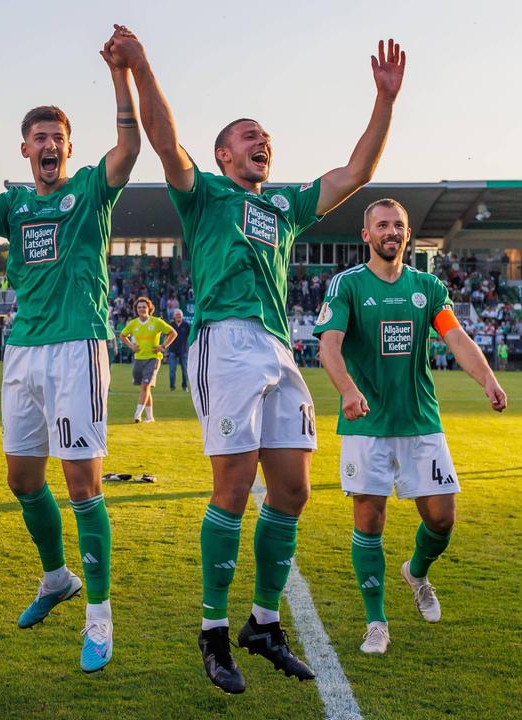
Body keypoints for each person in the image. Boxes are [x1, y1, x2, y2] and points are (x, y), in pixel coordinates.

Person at [116, 27, 406, 691]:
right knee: (231, 487)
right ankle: (213, 631)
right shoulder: (205, 195)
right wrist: (141, 66)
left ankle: (263, 623)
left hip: (279, 345)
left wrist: (384, 102)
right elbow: (165, 142)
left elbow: (355, 173)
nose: (261, 141)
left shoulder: (283, 203)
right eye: (248, 135)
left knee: (294, 490)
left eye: (265, 136)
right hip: (227, 339)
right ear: (223, 154)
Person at [0, 27, 139, 672]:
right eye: (39, 138)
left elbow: (129, 147)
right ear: (25, 149)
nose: (49, 146)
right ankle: (56, 578)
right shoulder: (15, 203)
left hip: (78, 346)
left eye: (58, 138)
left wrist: (120, 75)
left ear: (68, 147)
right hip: (22, 350)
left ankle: (100, 618)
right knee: (22, 478)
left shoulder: (89, 193)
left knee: (81, 482)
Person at [315, 199, 507, 655]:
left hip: (421, 421)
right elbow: (330, 346)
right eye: (382, 225)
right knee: (369, 520)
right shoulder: (347, 285)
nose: (391, 232)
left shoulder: (427, 286)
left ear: (407, 233)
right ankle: (376, 621)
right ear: (367, 235)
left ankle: (416, 573)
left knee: (442, 518)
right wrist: (346, 391)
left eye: (398, 225)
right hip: (367, 425)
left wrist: (488, 378)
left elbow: (456, 337)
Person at [118, 297, 176, 423]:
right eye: (139, 307)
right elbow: (122, 335)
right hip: (139, 359)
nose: (142, 309)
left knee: (145, 385)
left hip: (153, 358)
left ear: (149, 308)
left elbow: (173, 333)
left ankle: (137, 415)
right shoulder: (133, 323)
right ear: (136, 310)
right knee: (145, 388)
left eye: (144, 307)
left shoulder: (156, 322)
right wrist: (131, 346)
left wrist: (163, 346)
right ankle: (150, 417)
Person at [166, 308, 190, 391]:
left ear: (182, 316)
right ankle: (172, 387)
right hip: (172, 350)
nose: (178, 316)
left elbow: (190, 337)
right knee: (172, 370)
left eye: (179, 315)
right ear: (174, 316)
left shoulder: (187, 325)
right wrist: (165, 349)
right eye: (176, 315)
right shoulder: (171, 325)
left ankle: (185, 386)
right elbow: (166, 337)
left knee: (185, 371)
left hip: (184, 351)